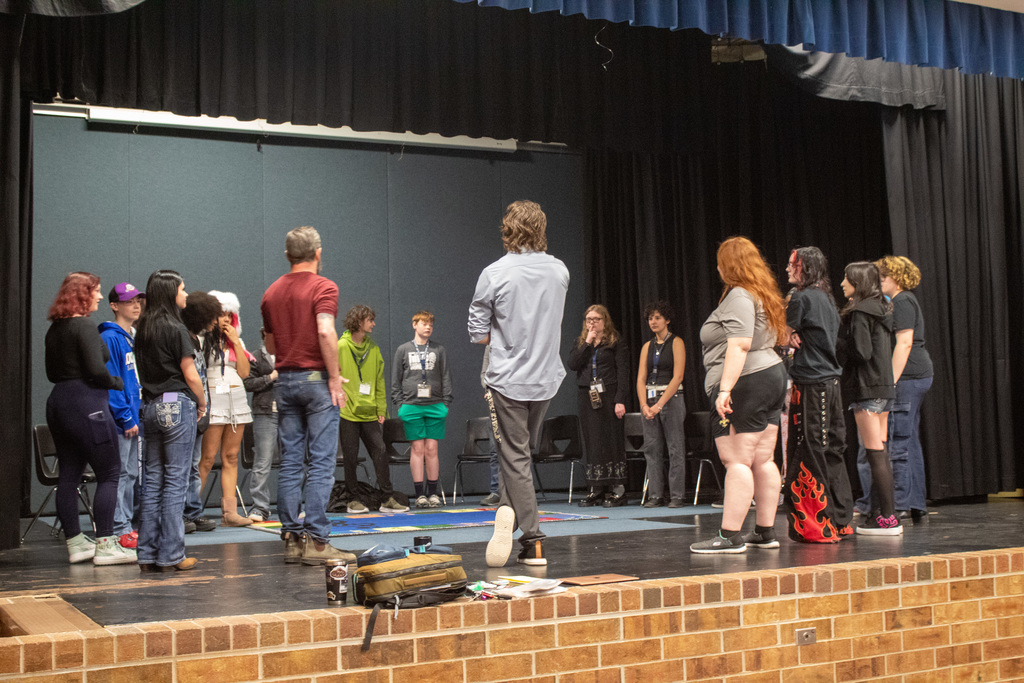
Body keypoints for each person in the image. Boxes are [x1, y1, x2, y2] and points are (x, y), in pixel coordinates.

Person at [469, 199, 569, 568]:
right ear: (541, 229)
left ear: (508, 229)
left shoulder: (494, 272)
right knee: (520, 457)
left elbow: (477, 333)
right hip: (545, 378)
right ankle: (507, 512)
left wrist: (506, 333)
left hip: (508, 378)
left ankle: (534, 538)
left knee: (515, 456)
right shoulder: (560, 270)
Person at [261, 225, 355, 565]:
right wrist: (333, 377)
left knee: (289, 463)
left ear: (287, 255)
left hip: (284, 380)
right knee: (321, 463)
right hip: (316, 380)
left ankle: (291, 539)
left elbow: (270, 345)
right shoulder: (323, 287)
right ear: (318, 254)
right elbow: (326, 331)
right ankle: (317, 542)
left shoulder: (271, 293)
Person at [692, 236, 788, 554]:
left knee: (736, 459)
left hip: (748, 381)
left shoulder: (739, 295)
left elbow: (740, 344)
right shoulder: (763, 293)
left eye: (720, 261)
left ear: (728, 265)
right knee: (763, 458)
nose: (717, 267)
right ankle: (764, 531)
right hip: (771, 376)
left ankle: (730, 535)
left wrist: (724, 390)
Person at [44, 272, 137, 565]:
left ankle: (75, 542)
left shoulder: (54, 330)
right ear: (83, 294)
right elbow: (96, 371)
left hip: (58, 404)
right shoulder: (84, 326)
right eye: (95, 291)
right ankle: (106, 545)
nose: (98, 296)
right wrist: (116, 383)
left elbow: (51, 374)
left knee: (69, 474)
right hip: (88, 405)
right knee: (110, 472)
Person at [782, 247, 854, 543]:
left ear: (805, 268)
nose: (787, 270)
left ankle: (816, 523)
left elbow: (781, 334)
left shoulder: (801, 298)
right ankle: (840, 518)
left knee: (811, 448)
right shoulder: (826, 297)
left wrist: (788, 337)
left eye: (791, 265)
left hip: (811, 383)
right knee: (832, 448)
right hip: (831, 382)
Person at [135, 270, 204, 571]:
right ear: (171, 293)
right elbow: (190, 374)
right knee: (176, 481)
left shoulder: (143, 330)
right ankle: (172, 555)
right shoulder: (176, 329)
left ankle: (147, 554)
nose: (186, 294)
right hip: (177, 405)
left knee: (152, 482)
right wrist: (202, 402)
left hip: (150, 407)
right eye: (183, 289)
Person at [838, 261, 899, 535]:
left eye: (846, 279)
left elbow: (861, 352)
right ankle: (880, 513)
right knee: (880, 451)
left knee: (874, 452)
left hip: (867, 388)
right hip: (884, 387)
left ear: (858, 282)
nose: (842, 283)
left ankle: (887, 518)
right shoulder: (883, 308)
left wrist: (836, 344)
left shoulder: (861, 311)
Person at [876, 256, 934, 522]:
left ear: (896, 278)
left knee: (899, 440)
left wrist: (891, 380)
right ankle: (915, 502)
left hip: (908, 376)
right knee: (909, 439)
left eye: (883, 277)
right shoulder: (900, 301)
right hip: (914, 375)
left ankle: (899, 502)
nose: (879, 282)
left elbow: (905, 343)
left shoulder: (902, 301)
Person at [338, 305, 407, 513]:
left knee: (381, 451)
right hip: (347, 412)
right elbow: (332, 376)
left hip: (369, 413)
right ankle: (353, 500)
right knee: (350, 457)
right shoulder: (341, 346)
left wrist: (381, 409)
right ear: (359, 322)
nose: (373, 324)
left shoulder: (373, 348)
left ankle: (387, 498)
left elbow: (379, 381)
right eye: (370, 320)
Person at [196, 291, 253, 527]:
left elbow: (244, 372)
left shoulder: (236, 341)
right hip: (212, 398)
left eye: (230, 315)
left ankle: (229, 513)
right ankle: (189, 509)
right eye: (221, 315)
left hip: (236, 398)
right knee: (207, 458)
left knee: (231, 456)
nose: (226, 320)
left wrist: (236, 343)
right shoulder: (199, 340)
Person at [98, 282, 145, 550]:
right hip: (120, 420)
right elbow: (113, 381)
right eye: (128, 301)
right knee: (121, 475)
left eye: (138, 300)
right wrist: (125, 417)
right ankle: (119, 528)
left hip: (134, 415)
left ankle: (127, 525)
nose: (136, 305)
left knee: (130, 473)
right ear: (114, 305)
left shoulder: (132, 336)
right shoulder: (110, 337)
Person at [568, 305, 629, 507]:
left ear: (605, 321)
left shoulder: (615, 342)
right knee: (593, 441)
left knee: (610, 439)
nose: (591, 323)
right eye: (588, 319)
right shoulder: (581, 343)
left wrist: (620, 399)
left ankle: (618, 489)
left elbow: (622, 372)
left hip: (609, 394)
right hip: (587, 395)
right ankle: (596, 489)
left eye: (595, 319)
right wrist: (587, 342)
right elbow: (573, 364)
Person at [392, 311, 453, 508]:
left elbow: (445, 377)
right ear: (414, 325)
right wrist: (400, 404)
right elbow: (396, 380)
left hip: (435, 405)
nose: (428, 327)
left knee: (432, 448)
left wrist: (445, 403)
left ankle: (433, 493)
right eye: (424, 323)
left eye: (431, 325)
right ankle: (420, 494)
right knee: (417, 449)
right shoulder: (403, 350)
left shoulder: (439, 349)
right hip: (411, 406)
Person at [635, 301, 687, 508]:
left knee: (675, 447)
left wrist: (660, 404)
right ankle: (656, 495)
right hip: (649, 399)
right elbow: (640, 378)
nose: (653, 322)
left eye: (657, 317)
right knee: (652, 448)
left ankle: (677, 495)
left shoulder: (677, 342)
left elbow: (678, 376)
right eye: (650, 318)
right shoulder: (647, 347)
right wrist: (644, 405)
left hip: (671, 399)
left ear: (667, 320)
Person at [180, 292, 223, 534]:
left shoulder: (197, 339)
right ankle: (181, 514)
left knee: (194, 465)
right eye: (212, 317)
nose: (215, 322)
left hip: (199, 411)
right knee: (183, 465)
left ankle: (193, 512)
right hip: (188, 408)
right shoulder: (182, 337)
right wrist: (200, 403)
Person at [242, 327, 278, 522]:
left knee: (293, 462)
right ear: (265, 334)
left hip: (289, 412)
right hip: (265, 412)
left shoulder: (287, 354)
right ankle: (260, 507)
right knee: (262, 461)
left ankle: (292, 505)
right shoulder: (255, 356)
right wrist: (270, 378)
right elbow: (247, 383)